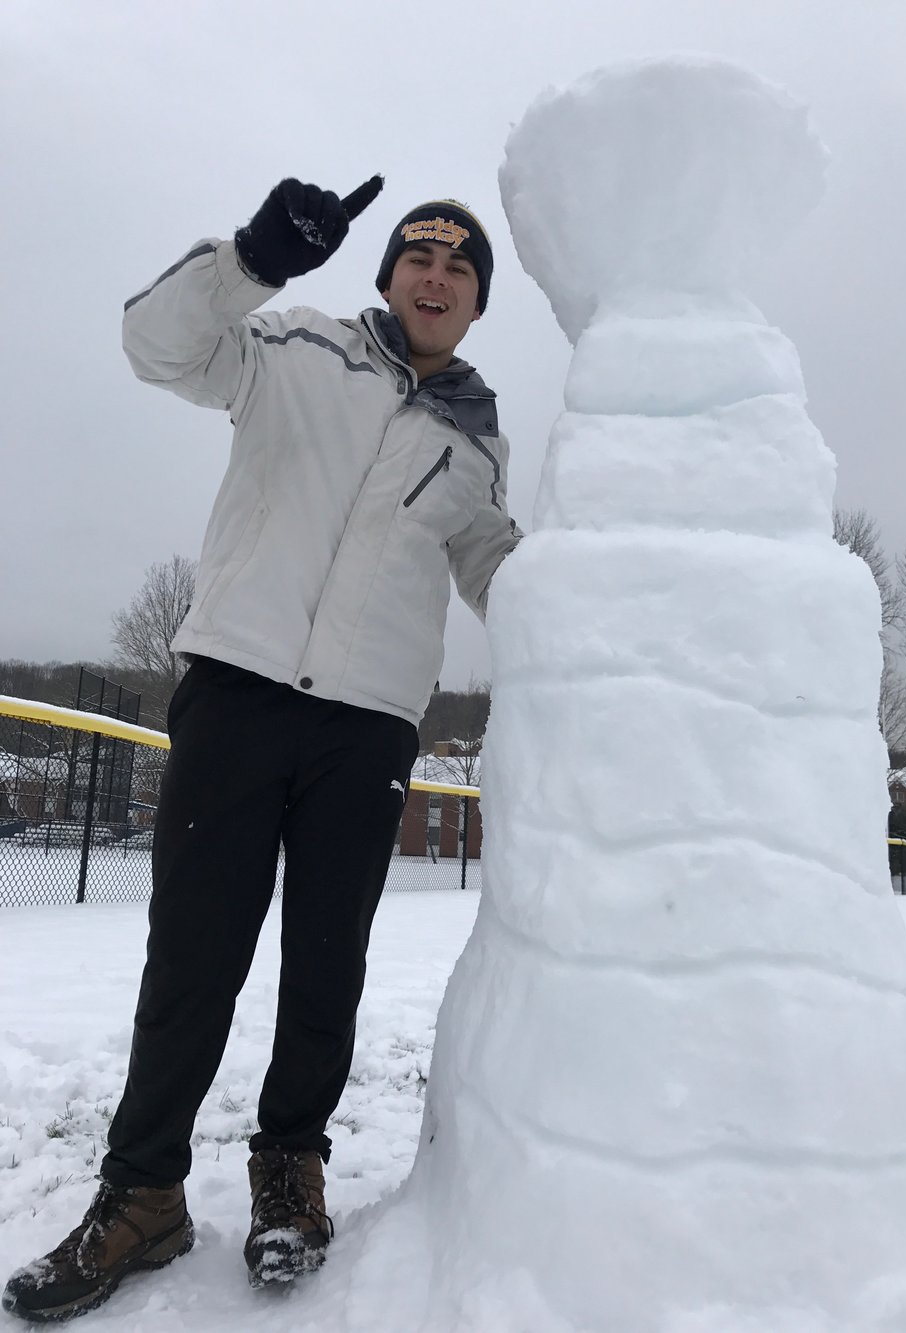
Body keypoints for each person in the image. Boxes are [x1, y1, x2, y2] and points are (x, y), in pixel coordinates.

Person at [3, 177, 521, 1322]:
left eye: (460, 263)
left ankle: (292, 1167)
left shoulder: (477, 447)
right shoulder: (293, 345)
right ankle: (141, 1194)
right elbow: (158, 347)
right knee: (192, 957)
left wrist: (605, 599)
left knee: (326, 962)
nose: (436, 272)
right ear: (386, 273)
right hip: (237, 692)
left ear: (477, 303)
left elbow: (500, 574)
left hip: (371, 722)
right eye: (419, 252)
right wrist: (249, 256)